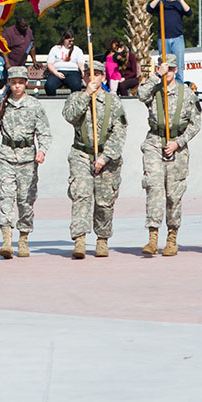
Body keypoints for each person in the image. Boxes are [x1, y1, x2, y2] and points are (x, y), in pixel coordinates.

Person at [0, 67, 51, 259]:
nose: (17, 86)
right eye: (13, 83)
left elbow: (44, 132)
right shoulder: (2, 104)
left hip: (28, 158)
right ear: (9, 84)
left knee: (25, 200)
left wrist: (42, 150)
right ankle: (6, 240)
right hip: (6, 155)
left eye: (20, 82)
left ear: (26, 84)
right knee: (5, 196)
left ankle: (23, 238)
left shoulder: (34, 105)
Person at [62, 61, 127, 259]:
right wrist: (85, 95)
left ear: (103, 77)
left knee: (104, 201)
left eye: (97, 74)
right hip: (81, 153)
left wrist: (105, 157)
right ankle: (80, 239)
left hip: (106, 157)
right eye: (89, 74)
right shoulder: (76, 97)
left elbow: (120, 131)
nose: (93, 78)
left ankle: (102, 238)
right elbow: (69, 116)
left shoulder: (112, 101)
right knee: (81, 195)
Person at [137, 60, 201, 256]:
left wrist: (178, 143)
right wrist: (157, 75)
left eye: (172, 69)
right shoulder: (154, 90)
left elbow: (195, 123)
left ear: (176, 70)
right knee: (154, 188)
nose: (169, 72)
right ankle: (152, 236)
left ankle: (172, 237)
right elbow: (140, 94)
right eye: (166, 68)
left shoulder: (186, 93)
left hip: (176, 145)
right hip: (155, 142)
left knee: (174, 194)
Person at [147, 0, 191, 83]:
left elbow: (189, 12)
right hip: (163, 39)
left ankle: (179, 87)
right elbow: (149, 9)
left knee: (179, 66)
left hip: (177, 39)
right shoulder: (161, 4)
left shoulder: (179, 4)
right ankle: (165, 86)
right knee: (164, 65)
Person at [44, 29, 86, 96]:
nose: (71, 43)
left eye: (72, 41)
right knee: (49, 86)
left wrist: (84, 76)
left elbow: (81, 65)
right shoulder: (55, 49)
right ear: (64, 39)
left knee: (76, 86)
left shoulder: (77, 50)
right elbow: (50, 64)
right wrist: (56, 73)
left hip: (73, 72)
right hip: (57, 72)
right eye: (69, 41)